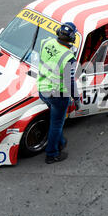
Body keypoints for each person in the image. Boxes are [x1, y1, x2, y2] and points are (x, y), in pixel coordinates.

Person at [38, 22, 81, 164]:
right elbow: (70, 82)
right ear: (72, 37)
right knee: (56, 124)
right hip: (58, 95)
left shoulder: (46, 42)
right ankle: (52, 154)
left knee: (56, 121)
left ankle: (61, 142)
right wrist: (77, 99)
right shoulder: (69, 57)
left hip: (42, 89)